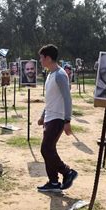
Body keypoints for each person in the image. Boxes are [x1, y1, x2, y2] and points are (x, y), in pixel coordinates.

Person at [37, 44, 77, 192]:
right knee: (48, 150)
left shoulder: (60, 75)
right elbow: (51, 99)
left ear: (48, 58)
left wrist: (67, 120)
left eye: (41, 58)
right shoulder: (50, 74)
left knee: (46, 149)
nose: (40, 60)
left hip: (58, 118)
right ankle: (53, 183)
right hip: (49, 117)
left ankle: (67, 172)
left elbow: (67, 98)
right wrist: (42, 116)